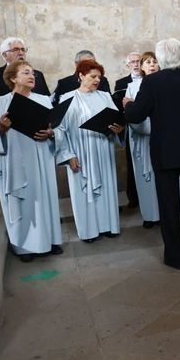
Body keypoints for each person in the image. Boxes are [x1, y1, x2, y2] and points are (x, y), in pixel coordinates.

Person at [124, 38, 180, 270]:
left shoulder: (152, 82)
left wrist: (128, 104)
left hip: (165, 150)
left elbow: (136, 116)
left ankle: (175, 255)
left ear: (160, 59)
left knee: (169, 205)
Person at [0, 60, 62, 262]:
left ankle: (50, 241)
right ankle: (25, 247)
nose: (32, 76)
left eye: (33, 73)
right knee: (23, 202)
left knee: (44, 200)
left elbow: (57, 128)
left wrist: (52, 133)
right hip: (15, 162)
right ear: (13, 78)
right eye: (26, 72)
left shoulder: (44, 100)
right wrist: (0, 129)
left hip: (41, 158)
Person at [54, 59, 124, 243]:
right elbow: (60, 129)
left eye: (99, 77)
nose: (96, 80)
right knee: (82, 192)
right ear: (81, 76)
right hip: (80, 151)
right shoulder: (67, 98)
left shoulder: (105, 97)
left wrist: (118, 129)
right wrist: (68, 155)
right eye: (93, 76)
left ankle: (109, 226)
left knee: (107, 187)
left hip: (103, 148)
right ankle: (89, 231)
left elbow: (115, 120)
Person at [124, 52, 161, 228]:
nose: (152, 64)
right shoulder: (133, 86)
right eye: (148, 62)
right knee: (145, 178)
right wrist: (148, 128)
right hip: (142, 139)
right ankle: (150, 215)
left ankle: (165, 213)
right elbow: (132, 114)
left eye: (155, 61)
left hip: (162, 138)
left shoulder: (165, 83)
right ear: (142, 67)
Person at [0, 37, 49, 113]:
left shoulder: (38, 75)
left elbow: (47, 98)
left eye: (23, 49)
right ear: (5, 55)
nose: (21, 53)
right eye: (16, 49)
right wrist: (0, 113)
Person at [114, 52, 142, 209]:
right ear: (128, 65)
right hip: (129, 126)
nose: (136, 64)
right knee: (131, 163)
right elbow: (119, 105)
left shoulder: (149, 80)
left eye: (139, 61)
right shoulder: (121, 83)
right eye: (133, 62)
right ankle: (133, 197)